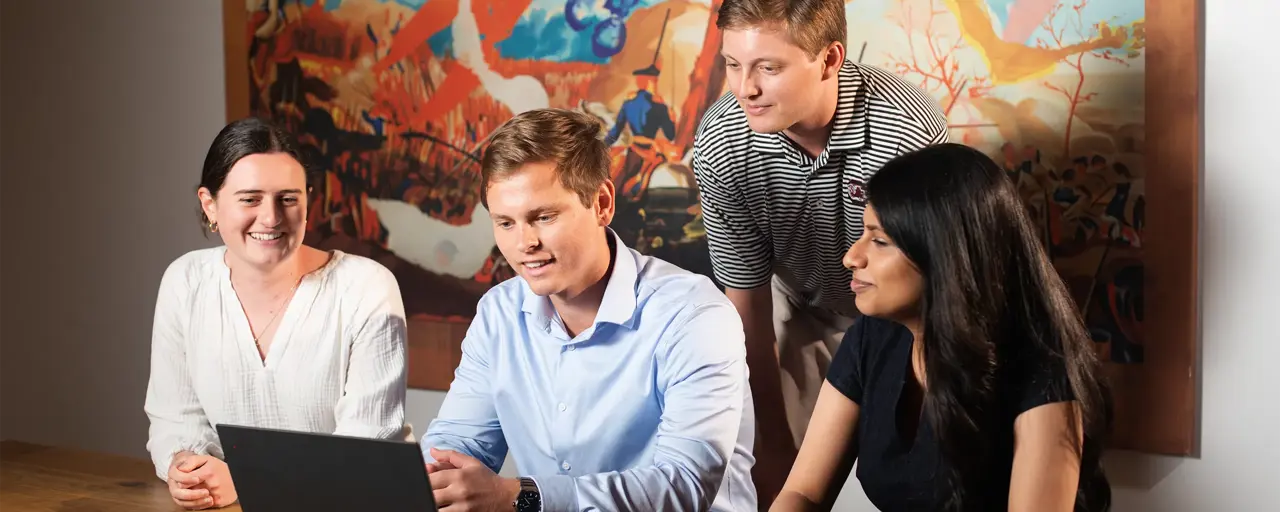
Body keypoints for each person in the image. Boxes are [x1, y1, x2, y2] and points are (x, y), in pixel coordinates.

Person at [419, 108, 756, 512]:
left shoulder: (694, 316)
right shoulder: (498, 314)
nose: (524, 243)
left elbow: (681, 485)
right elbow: (457, 445)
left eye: (542, 217)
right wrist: (430, 480)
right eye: (505, 223)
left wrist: (521, 497)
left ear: (601, 203)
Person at [690, 0, 950, 500]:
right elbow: (747, 299)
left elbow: (940, 282)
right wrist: (773, 441)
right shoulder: (720, 144)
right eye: (733, 65)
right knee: (775, 477)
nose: (746, 88)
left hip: (908, 310)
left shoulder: (909, 132)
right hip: (795, 302)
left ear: (830, 59)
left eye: (768, 67)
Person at [771, 143, 1112, 511]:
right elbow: (802, 492)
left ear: (945, 256)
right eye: (862, 232)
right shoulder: (871, 338)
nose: (852, 256)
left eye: (880, 241)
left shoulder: (1042, 379)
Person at [144, 117, 410, 510]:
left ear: (307, 202)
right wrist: (186, 464)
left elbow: (364, 454)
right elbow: (174, 417)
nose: (271, 218)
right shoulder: (185, 282)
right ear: (210, 204)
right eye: (250, 199)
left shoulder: (366, 287)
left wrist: (245, 479)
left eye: (288, 198)